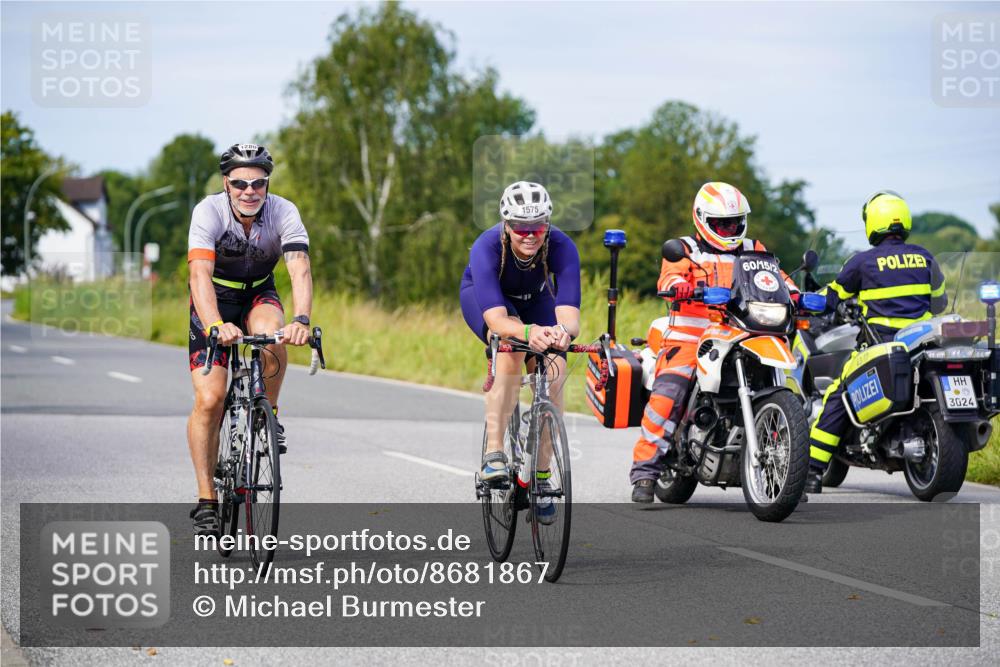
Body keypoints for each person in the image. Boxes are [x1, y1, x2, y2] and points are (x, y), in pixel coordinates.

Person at [631, 182, 800, 502]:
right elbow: (669, 276)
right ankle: (645, 471)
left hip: (744, 330)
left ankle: (789, 469)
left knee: (781, 382)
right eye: (722, 223)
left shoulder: (754, 248)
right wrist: (680, 286)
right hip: (691, 336)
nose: (730, 228)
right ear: (702, 219)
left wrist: (796, 292)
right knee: (670, 390)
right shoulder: (685, 249)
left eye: (735, 222)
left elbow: (775, 276)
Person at [187, 143, 314, 536]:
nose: (249, 191)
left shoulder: (283, 211)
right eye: (240, 183)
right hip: (215, 297)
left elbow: (300, 269)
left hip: (259, 291)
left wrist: (301, 320)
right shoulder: (208, 211)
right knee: (210, 400)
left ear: (266, 184)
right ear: (227, 183)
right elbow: (199, 276)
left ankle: (268, 414)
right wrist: (215, 325)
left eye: (258, 183)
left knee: (271, 335)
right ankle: (207, 498)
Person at [805, 190, 946, 494]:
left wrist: (804, 300)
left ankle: (812, 471)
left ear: (873, 223)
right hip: (921, 345)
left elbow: (832, 298)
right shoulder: (925, 257)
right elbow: (941, 303)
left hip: (880, 347)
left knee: (837, 393)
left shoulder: (862, 262)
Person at [460, 181, 581, 522]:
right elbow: (498, 321)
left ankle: (541, 477)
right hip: (490, 301)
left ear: (548, 223)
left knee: (555, 369)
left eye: (538, 226)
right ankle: (494, 452)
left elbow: (570, 316)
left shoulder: (561, 245)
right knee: (511, 353)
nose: (530, 235)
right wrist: (529, 333)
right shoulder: (486, 246)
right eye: (520, 227)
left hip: (538, 300)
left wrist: (559, 333)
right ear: (506, 225)